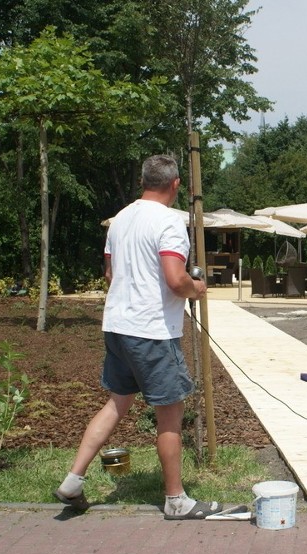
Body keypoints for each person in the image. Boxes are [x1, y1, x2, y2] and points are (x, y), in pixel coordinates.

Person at [54, 155, 222, 520]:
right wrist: (197, 287)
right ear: (176, 184)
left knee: (117, 403)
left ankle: (73, 479)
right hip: (152, 332)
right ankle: (176, 500)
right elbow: (176, 280)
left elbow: (111, 275)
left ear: (144, 181)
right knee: (170, 414)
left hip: (117, 326)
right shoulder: (169, 223)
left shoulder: (120, 219)